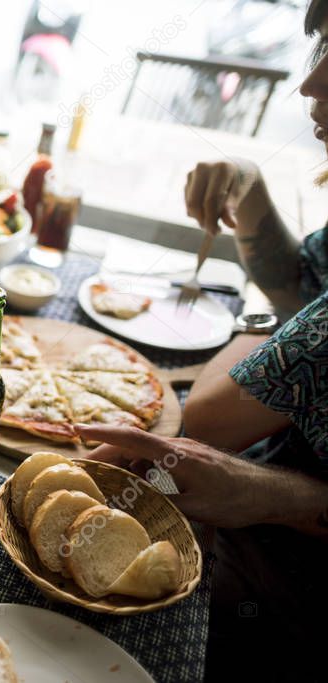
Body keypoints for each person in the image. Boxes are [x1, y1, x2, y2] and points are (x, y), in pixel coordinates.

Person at [79, 2, 328, 678]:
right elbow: (299, 287)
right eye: (322, 47)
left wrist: (284, 495)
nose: (309, 84)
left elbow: (209, 419)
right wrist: (247, 191)